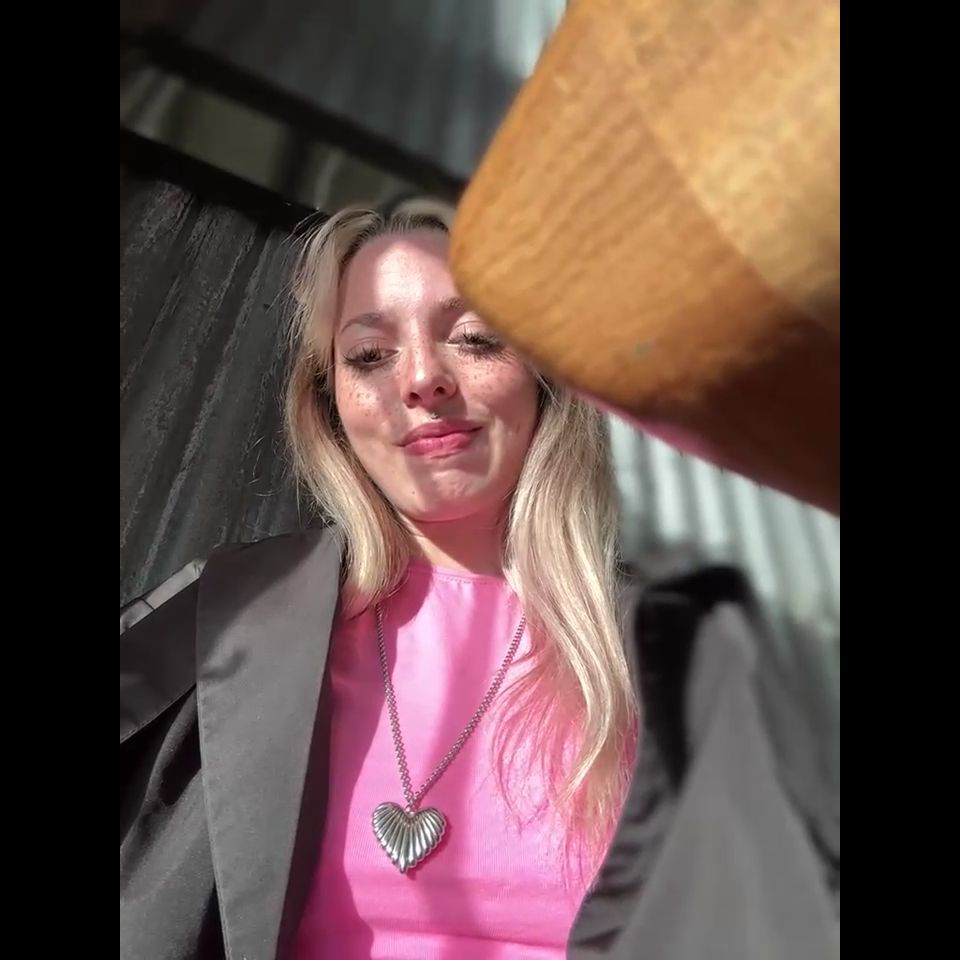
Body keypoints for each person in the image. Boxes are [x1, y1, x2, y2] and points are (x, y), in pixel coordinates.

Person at [120, 203, 838, 960]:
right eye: (370, 355)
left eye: (474, 338)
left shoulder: (690, 657)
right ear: (331, 406)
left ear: (545, 381)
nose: (423, 379)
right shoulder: (231, 620)